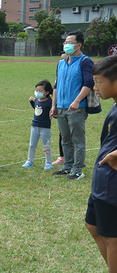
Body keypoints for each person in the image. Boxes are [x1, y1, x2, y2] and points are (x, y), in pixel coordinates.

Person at [78, 55, 117, 273]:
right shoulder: (114, 103)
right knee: (92, 225)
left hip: (112, 186)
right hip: (102, 182)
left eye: (99, 81)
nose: (96, 87)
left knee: (113, 238)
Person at [50, 31, 94, 180]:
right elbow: (56, 85)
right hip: (61, 108)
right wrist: (53, 105)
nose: (66, 45)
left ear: (79, 45)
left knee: (77, 140)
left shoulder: (85, 61)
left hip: (77, 108)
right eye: (65, 42)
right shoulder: (61, 62)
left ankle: (78, 169)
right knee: (65, 139)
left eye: (69, 42)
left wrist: (77, 100)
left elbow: (89, 83)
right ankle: (67, 166)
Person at [22, 80, 54, 170]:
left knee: (46, 146)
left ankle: (48, 163)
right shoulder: (37, 100)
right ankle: (29, 161)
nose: (38, 92)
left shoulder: (49, 102)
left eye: (40, 91)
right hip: (35, 126)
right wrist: (32, 102)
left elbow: (51, 112)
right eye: (37, 90)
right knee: (32, 145)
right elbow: (37, 110)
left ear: (47, 92)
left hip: (45, 127)